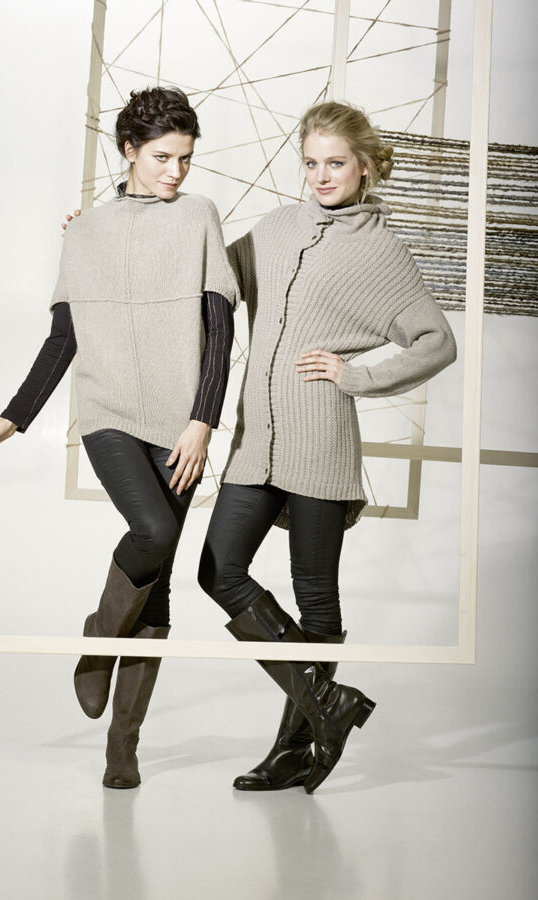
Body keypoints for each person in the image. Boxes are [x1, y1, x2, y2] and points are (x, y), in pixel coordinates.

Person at [0, 86, 239, 789]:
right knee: (153, 531)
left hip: (181, 424)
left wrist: (202, 421)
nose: (176, 171)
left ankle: (123, 746)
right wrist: (10, 419)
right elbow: (64, 338)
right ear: (128, 151)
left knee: (159, 585)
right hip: (108, 411)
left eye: (185, 158)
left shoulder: (200, 217)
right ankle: (98, 640)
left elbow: (220, 328)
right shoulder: (84, 231)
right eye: (162, 157)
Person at [197, 101, 457, 794]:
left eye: (335, 163)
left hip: (320, 440)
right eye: (311, 163)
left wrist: (357, 377)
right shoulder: (278, 228)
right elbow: (210, 279)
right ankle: (329, 704)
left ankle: (292, 749)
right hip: (255, 438)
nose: (321, 175)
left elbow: (437, 341)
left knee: (316, 598)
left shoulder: (383, 252)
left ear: (365, 166)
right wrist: (107, 234)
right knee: (218, 570)